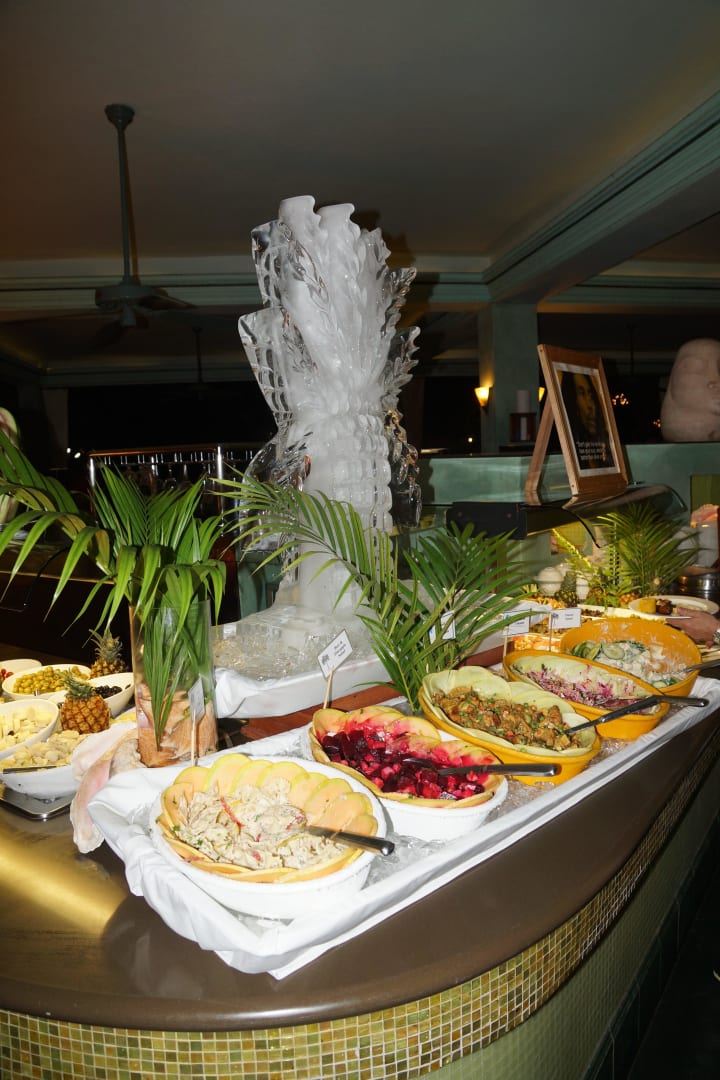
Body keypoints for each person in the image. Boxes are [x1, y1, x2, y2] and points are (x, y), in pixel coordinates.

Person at [560, 371, 614, 470]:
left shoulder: (604, 451)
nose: (591, 406)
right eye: (582, 394)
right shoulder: (567, 456)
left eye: (591, 396)